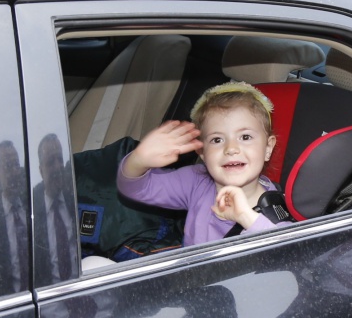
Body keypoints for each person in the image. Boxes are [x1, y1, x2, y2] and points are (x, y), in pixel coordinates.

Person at [117, 82, 284, 246]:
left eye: (245, 137)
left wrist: (246, 217)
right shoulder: (196, 181)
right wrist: (139, 160)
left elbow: (288, 252)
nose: (231, 148)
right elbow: (137, 188)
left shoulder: (275, 208)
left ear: (268, 148)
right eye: (217, 140)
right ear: (202, 152)